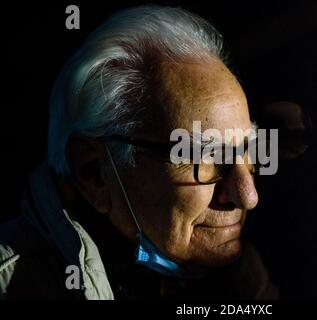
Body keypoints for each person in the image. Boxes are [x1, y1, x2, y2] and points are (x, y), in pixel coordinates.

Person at [0, 5, 278, 299]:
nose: (248, 196)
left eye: (247, 150)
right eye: (205, 156)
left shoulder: (241, 279)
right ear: (94, 172)